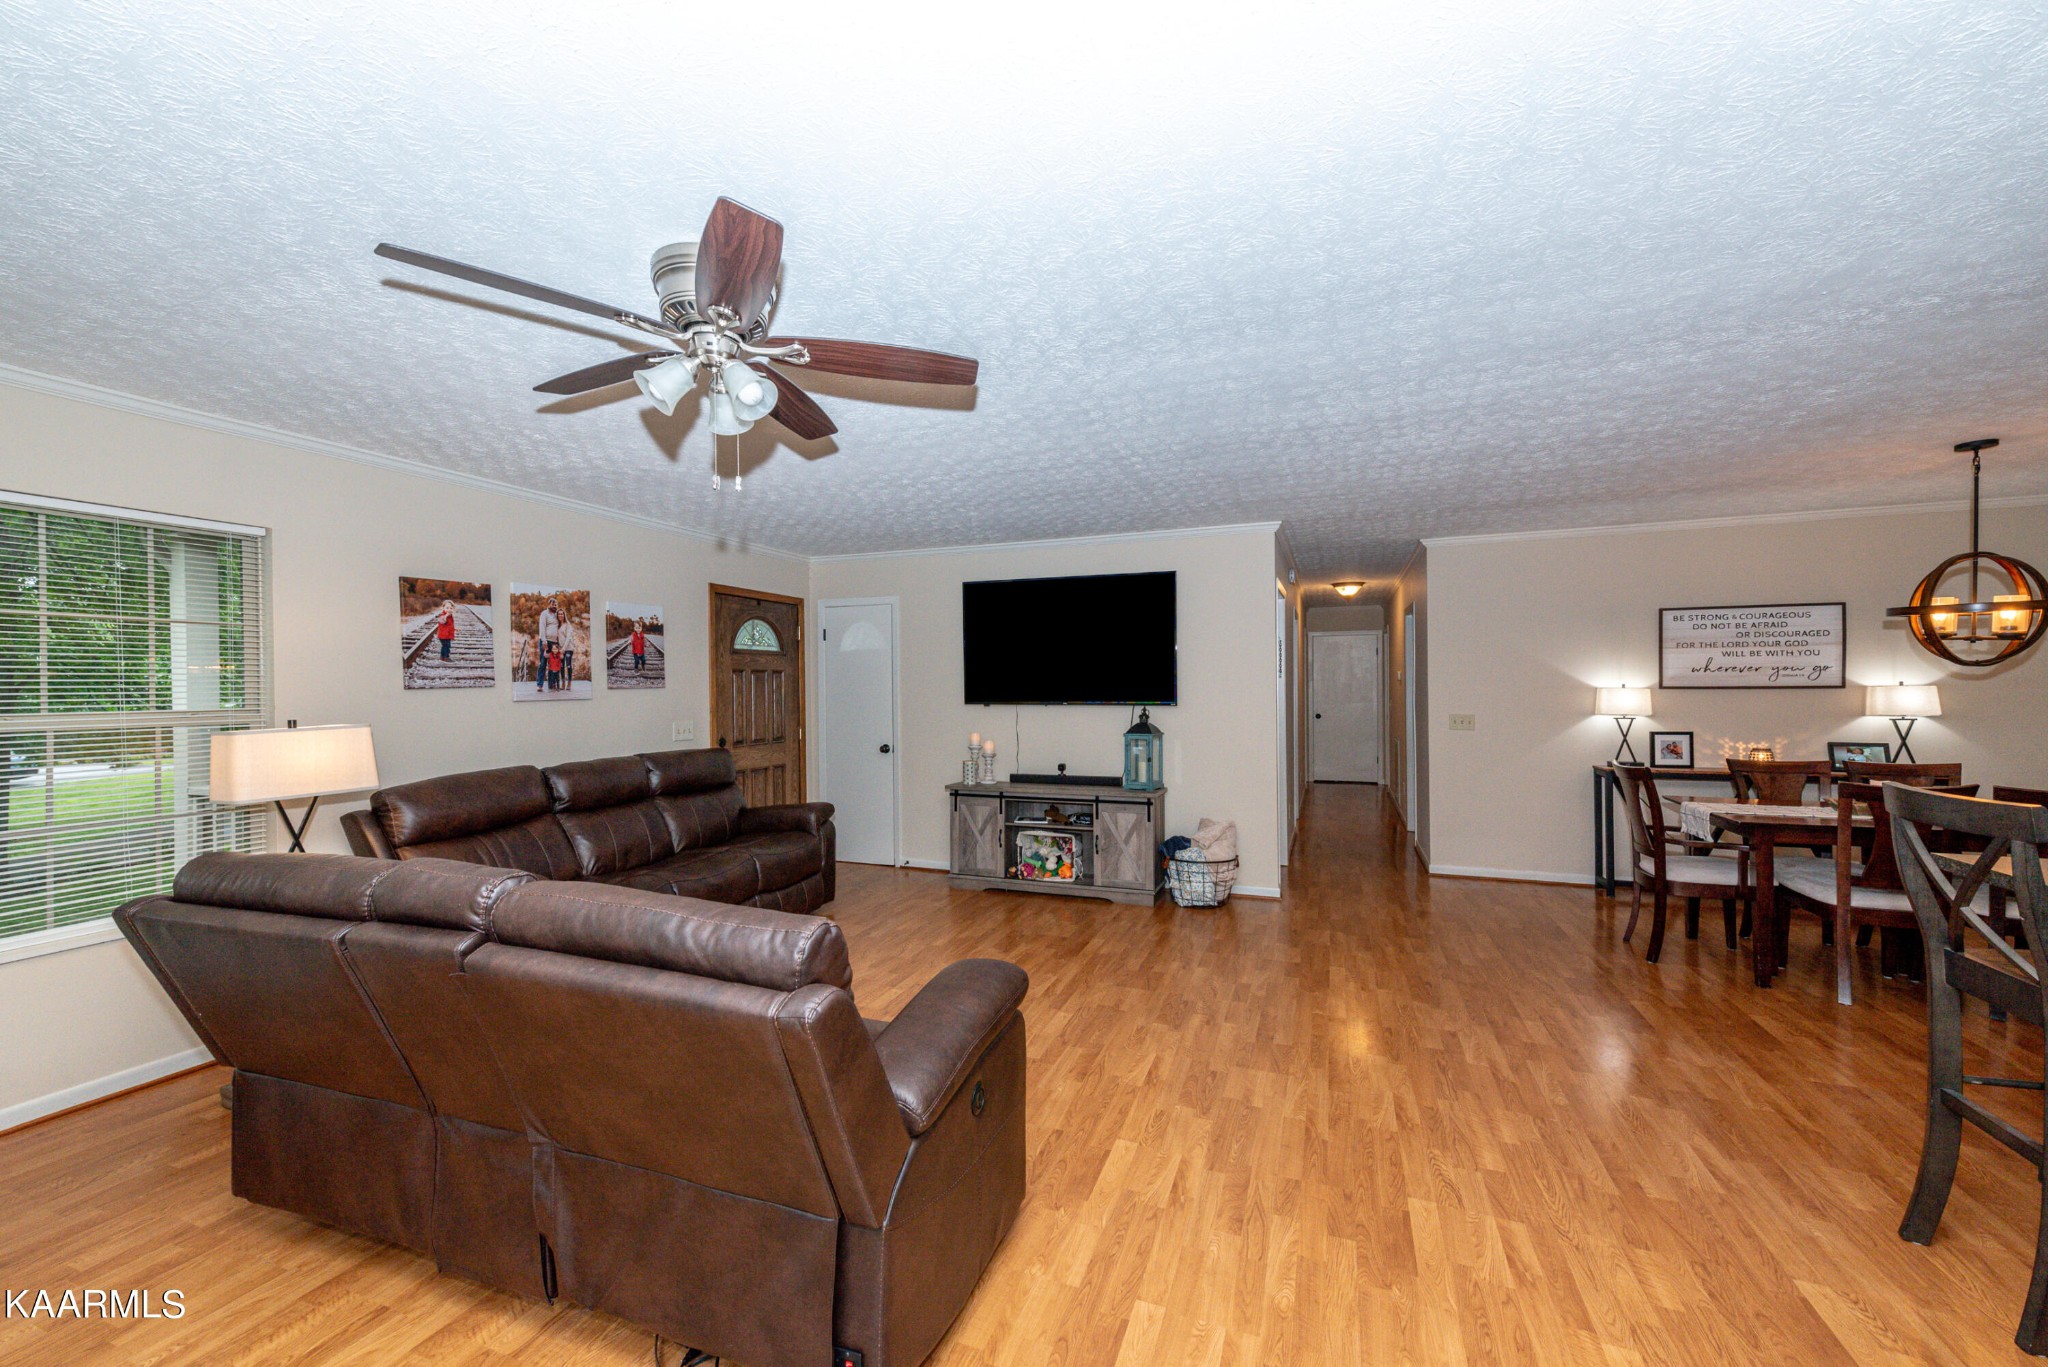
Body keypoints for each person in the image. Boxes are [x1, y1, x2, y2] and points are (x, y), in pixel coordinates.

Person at [535, 596, 561, 690]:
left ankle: (551, 684)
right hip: (546, 641)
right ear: (549, 604)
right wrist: (544, 641)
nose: (554, 606)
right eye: (553, 604)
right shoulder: (544, 614)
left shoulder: (556, 615)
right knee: (543, 663)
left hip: (555, 643)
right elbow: (542, 628)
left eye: (556, 604)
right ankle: (540, 685)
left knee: (553, 664)